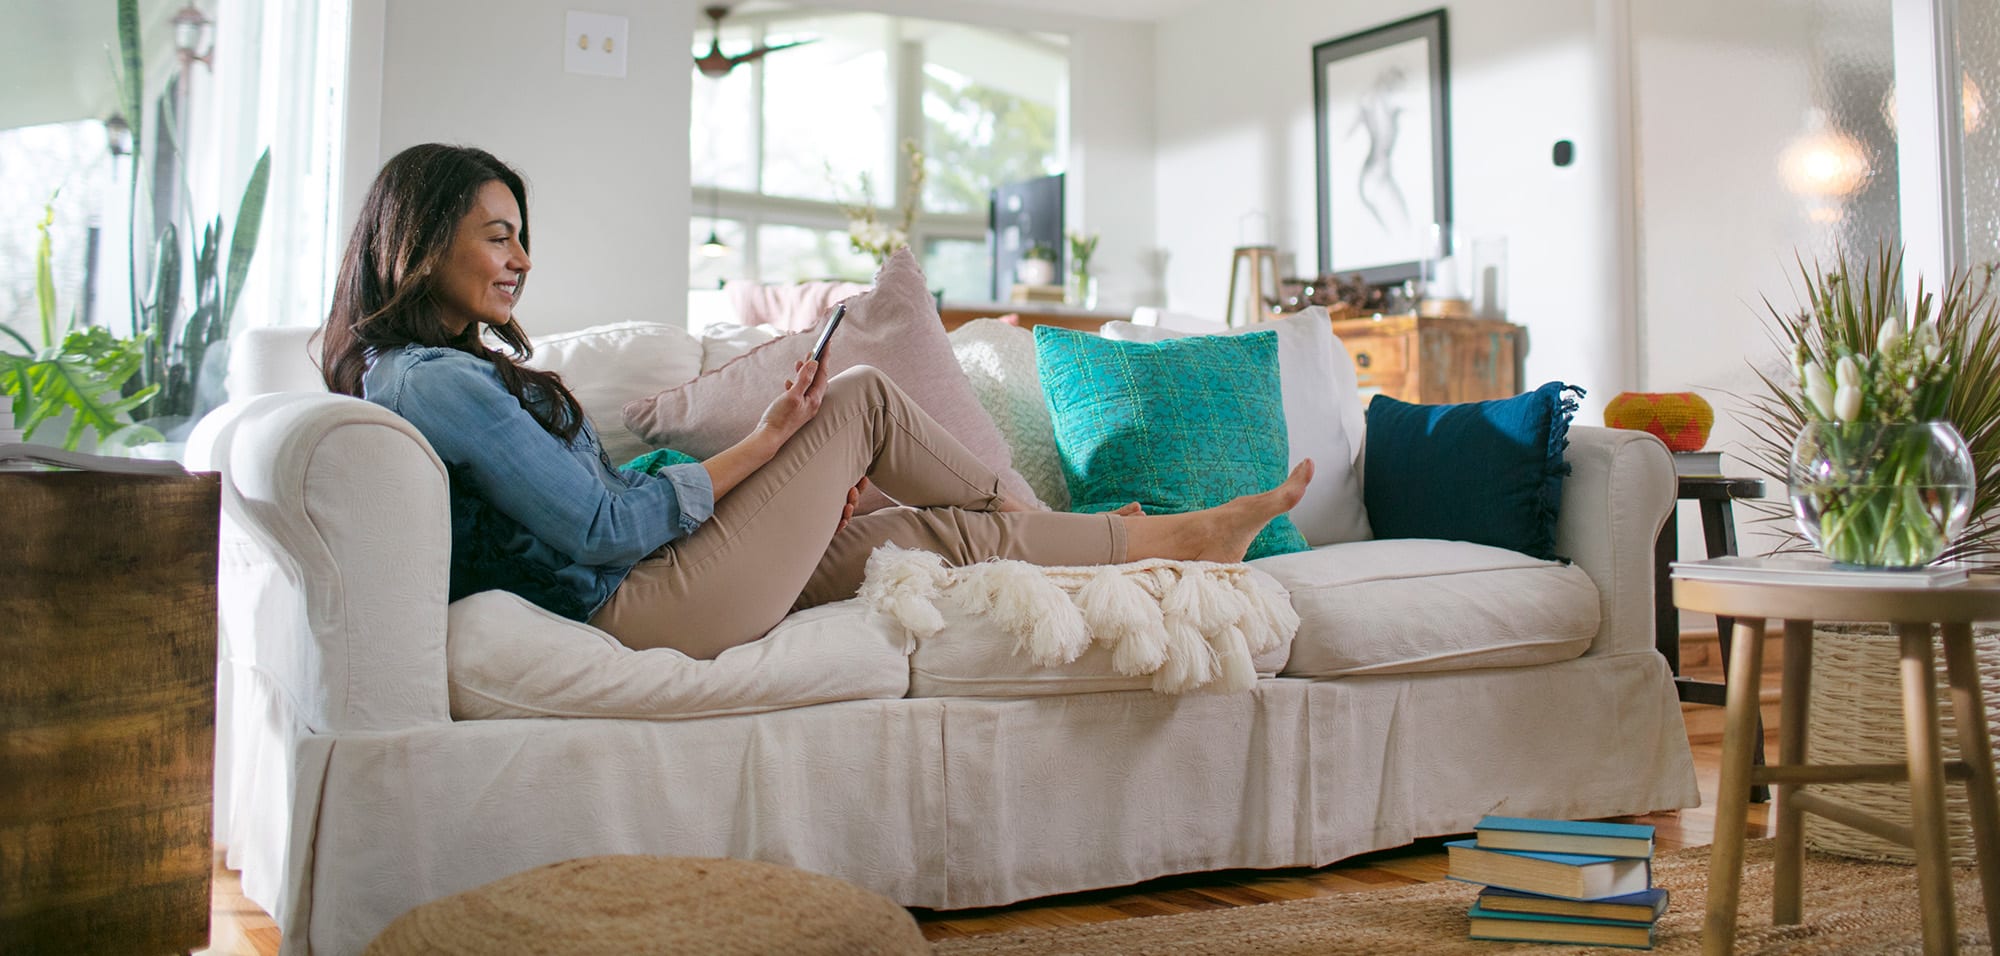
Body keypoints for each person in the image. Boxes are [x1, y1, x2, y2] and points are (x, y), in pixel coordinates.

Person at [318, 143, 1312, 660]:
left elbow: (608, 497)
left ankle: (1177, 541)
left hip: (665, 575)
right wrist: (773, 449)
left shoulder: (426, 369)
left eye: (518, 234)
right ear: (418, 237)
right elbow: (601, 521)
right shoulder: (434, 380)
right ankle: (1059, 519)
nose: (522, 258)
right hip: (642, 603)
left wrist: (773, 453)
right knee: (865, 400)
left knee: (931, 532)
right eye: (498, 235)